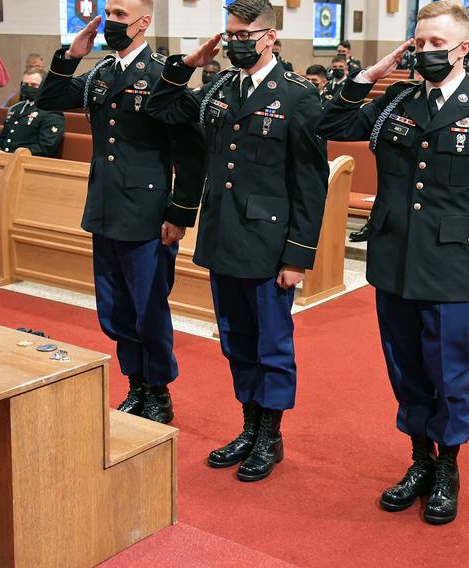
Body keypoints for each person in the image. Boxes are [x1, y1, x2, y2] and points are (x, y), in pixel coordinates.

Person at [318, 0, 469, 525]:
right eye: (420, 42)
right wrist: (370, 74)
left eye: (438, 43)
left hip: (454, 266)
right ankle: (419, 460)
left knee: (446, 370)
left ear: (464, 47)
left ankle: (448, 467)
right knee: (404, 367)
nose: (427, 52)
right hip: (394, 260)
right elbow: (332, 122)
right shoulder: (397, 102)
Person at [147, 0, 328, 482]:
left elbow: (311, 183)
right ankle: (248, 427)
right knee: (236, 340)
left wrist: (298, 255)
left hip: (269, 245)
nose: (235, 43)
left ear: (270, 37)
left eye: (245, 35)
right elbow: (161, 107)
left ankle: (271, 435)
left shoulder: (298, 96)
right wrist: (187, 66)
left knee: (271, 344)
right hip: (224, 234)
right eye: (230, 34)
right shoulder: (219, 87)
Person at [36, 0, 206, 422]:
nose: (110, 22)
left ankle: (159, 390)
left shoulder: (163, 74)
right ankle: (135, 383)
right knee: (114, 308)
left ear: (144, 22)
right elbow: (50, 97)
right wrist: (72, 54)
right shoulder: (101, 72)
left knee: (148, 308)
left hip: (147, 211)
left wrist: (180, 213)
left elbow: (190, 151)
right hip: (106, 206)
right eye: (107, 14)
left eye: (119, 16)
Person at [0, 70, 65, 156]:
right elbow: (2, 137)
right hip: (5, 159)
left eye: (34, 85)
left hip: (28, 162)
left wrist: (12, 156)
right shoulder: (15, 108)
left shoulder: (51, 111)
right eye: (25, 84)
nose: (28, 88)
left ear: (44, 86)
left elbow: (45, 147)